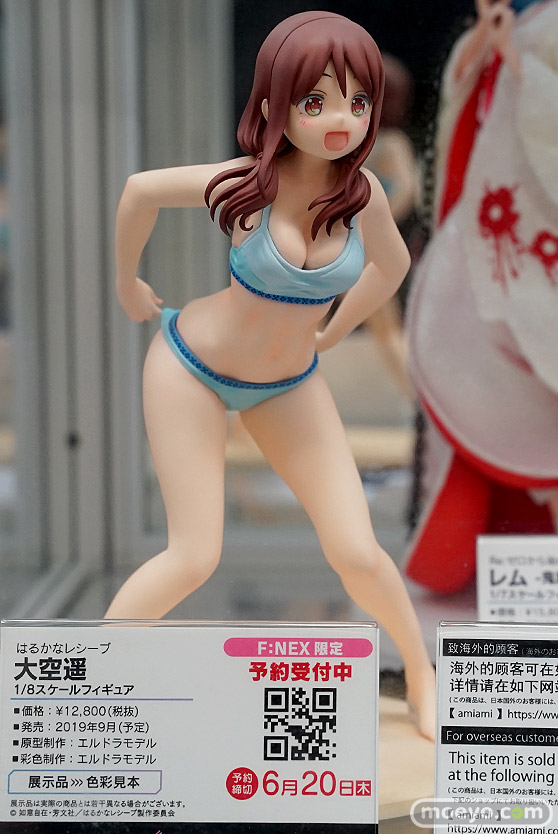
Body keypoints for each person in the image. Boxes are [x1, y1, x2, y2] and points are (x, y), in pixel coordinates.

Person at [106, 11, 435, 740]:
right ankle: (88, 687)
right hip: (191, 368)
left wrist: (338, 327)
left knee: (357, 551)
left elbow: (392, 266)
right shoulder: (246, 184)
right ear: (274, 105)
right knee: (193, 556)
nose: (341, 120)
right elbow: (138, 190)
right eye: (316, 102)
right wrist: (128, 283)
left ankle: (421, 674)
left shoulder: (365, 195)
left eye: (358, 101)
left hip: (288, 383)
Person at [405, 0, 558, 593]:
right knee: (486, 385)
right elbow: (464, 105)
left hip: (534, 232)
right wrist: (483, 52)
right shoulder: (513, 24)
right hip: (492, 240)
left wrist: (522, 67)